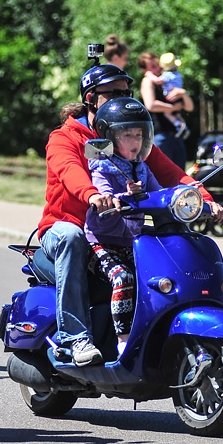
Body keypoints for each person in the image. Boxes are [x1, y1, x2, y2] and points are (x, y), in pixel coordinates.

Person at [38, 62, 223, 367]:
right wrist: (93, 195)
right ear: (90, 98)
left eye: (124, 92)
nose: (118, 98)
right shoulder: (66, 138)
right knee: (71, 237)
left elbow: (171, 173)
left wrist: (203, 199)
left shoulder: (131, 136)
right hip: (66, 226)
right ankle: (76, 339)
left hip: (118, 229)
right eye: (110, 93)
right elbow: (69, 171)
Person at [83, 98, 160, 357]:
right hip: (102, 243)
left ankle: (152, 336)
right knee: (123, 278)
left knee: (159, 280)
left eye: (139, 134)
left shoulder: (142, 168)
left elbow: (160, 194)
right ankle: (123, 340)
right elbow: (102, 193)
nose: (135, 141)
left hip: (132, 242)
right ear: (112, 139)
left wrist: (185, 196)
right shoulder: (103, 166)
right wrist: (113, 198)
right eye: (127, 135)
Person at [138, 51, 193, 168]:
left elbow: (189, 107)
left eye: (158, 64)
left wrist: (183, 94)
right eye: (153, 67)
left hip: (175, 135)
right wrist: (172, 108)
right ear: (145, 71)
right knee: (160, 175)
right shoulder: (148, 81)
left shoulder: (167, 81)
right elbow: (151, 105)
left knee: (179, 176)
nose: (158, 68)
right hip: (159, 135)